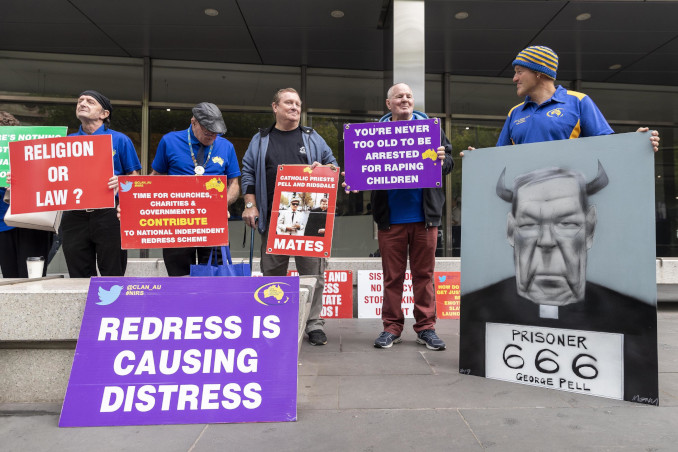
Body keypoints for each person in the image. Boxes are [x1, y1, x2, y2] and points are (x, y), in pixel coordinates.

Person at [460, 165, 658, 403]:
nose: (546, 242)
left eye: (567, 224)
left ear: (590, 228)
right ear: (511, 231)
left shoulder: (636, 318)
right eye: (528, 225)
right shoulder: (473, 310)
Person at [350, 83, 454, 350]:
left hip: (425, 218)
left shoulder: (431, 129)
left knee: (424, 275)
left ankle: (426, 328)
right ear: (389, 104)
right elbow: (359, 172)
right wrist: (352, 180)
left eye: (409, 96)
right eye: (399, 96)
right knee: (392, 277)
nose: (405, 99)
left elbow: (449, 162)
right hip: (391, 219)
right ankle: (392, 328)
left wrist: (444, 159)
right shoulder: (371, 135)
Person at [241, 88, 337, 346]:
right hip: (273, 220)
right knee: (273, 273)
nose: (295, 107)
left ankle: (313, 324)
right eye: (289, 103)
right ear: (275, 107)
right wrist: (250, 204)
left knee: (313, 274)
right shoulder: (261, 139)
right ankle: (275, 319)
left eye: (297, 103)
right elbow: (247, 172)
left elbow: (333, 166)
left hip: (310, 216)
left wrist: (325, 168)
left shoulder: (313, 137)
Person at [463, 46, 660, 154]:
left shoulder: (579, 102)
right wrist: (477, 159)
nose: (515, 79)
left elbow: (607, 148)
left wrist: (635, 142)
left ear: (539, 73)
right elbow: (500, 159)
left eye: (519, 72)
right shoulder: (515, 113)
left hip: (568, 204)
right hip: (524, 205)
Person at [151, 102, 240, 276]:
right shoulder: (170, 141)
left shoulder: (226, 146)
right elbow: (156, 177)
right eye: (208, 132)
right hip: (178, 224)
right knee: (179, 279)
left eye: (216, 133)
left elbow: (234, 184)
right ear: (194, 122)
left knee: (215, 278)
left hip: (213, 223)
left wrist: (223, 203)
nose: (212, 136)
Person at [61, 91, 140, 278]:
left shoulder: (119, 139)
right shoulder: (67, 142)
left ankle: (114, 308)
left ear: (104, 114)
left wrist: (122, 183)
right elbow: (52, 176)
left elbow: (135, 178)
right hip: (74, 216)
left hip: (109, 214)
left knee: (113, 273)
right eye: (80, 101)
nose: (82, 103)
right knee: (78, 275)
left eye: (90, 101)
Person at [0, 112, 54, 278]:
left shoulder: (34, 153)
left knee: (33, 278)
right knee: (10, 279)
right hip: (3, 226)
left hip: (32, 223)